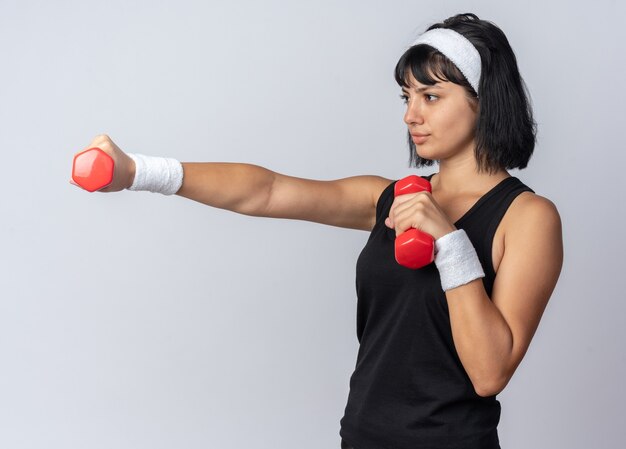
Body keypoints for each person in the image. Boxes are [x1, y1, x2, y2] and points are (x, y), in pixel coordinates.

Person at [71, 12, 563, 449]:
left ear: (485, 102)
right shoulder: (390, 198)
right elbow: (265, 191)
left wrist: (451, 243)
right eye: (407, 96)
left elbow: (489, 373)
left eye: (431, 96)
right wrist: (138, 171)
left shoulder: (527, 218)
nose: (411, 114)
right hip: (362, 436)